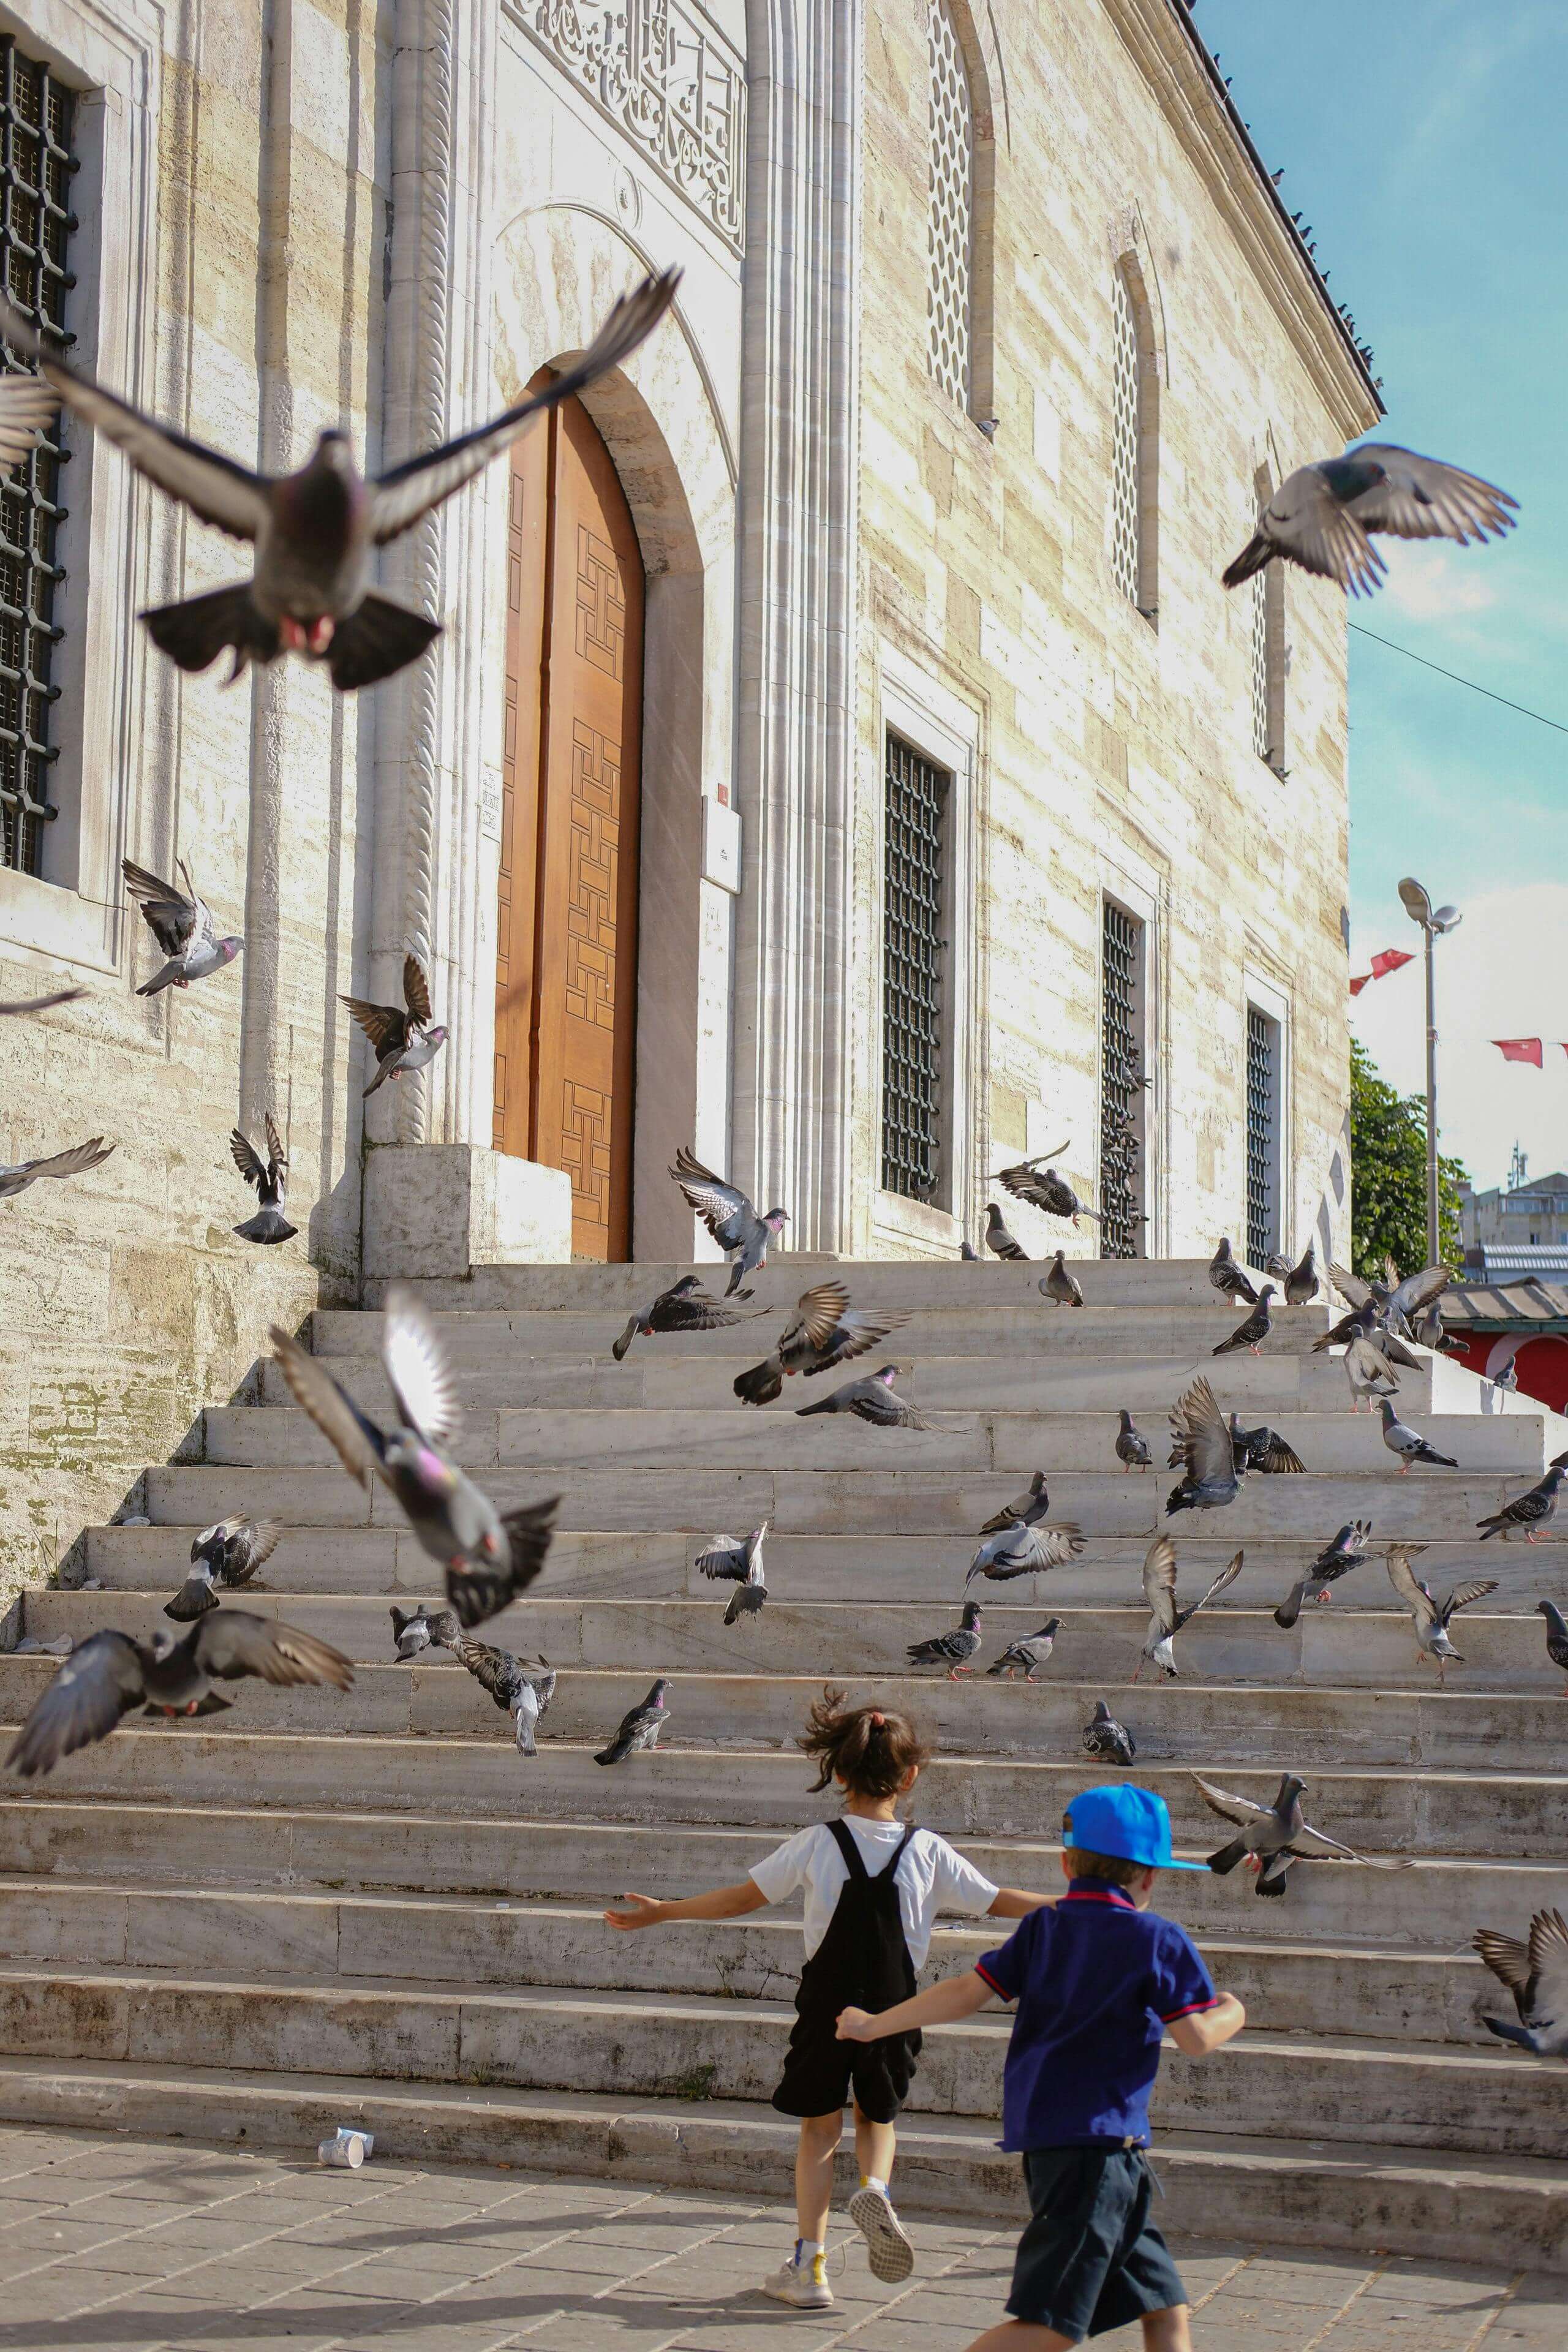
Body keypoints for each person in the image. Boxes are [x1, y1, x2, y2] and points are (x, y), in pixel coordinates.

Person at [605, 1685, 1055, 2310]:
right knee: (878, 2118)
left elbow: (741, 1900)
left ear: (839, 1773)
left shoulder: (817, 1843)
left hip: (826, 2006)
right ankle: (876, 2189)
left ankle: (809, 2266)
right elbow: (1001, 1901)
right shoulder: (927, 1850)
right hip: (895, 2009)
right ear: (910, 1776)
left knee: (819, 2130)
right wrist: (1082, 1904)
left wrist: (665, 1911)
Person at [837, 1782, 1245, 2350]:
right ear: (1151, 1876)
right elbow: (1196, 2038)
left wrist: (874, 2024)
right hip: (1099, 2159)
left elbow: (965, 1993)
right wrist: (1233, 2011)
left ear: (1066, 1863)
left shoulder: (1043, 1928)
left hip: (1067, 2146)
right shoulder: (1157, 1939)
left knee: (1164, 2307)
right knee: (1051, 2326)